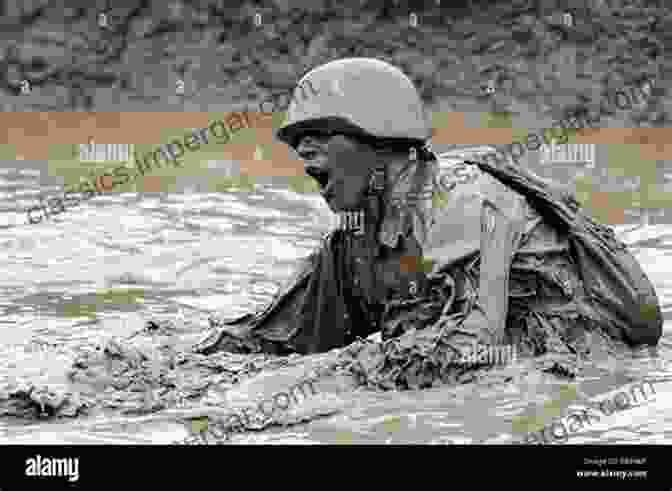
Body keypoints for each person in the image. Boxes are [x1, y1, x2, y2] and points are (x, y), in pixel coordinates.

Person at [194, 57, 662, 361]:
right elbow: (280, 337)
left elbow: (466, 358)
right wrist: (182, 366)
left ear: (378, 140)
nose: (303, 154)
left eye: (318, 137)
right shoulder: (355, 240)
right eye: (298, 143)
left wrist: (338, 377)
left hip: (583, 365)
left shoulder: (465, 202)